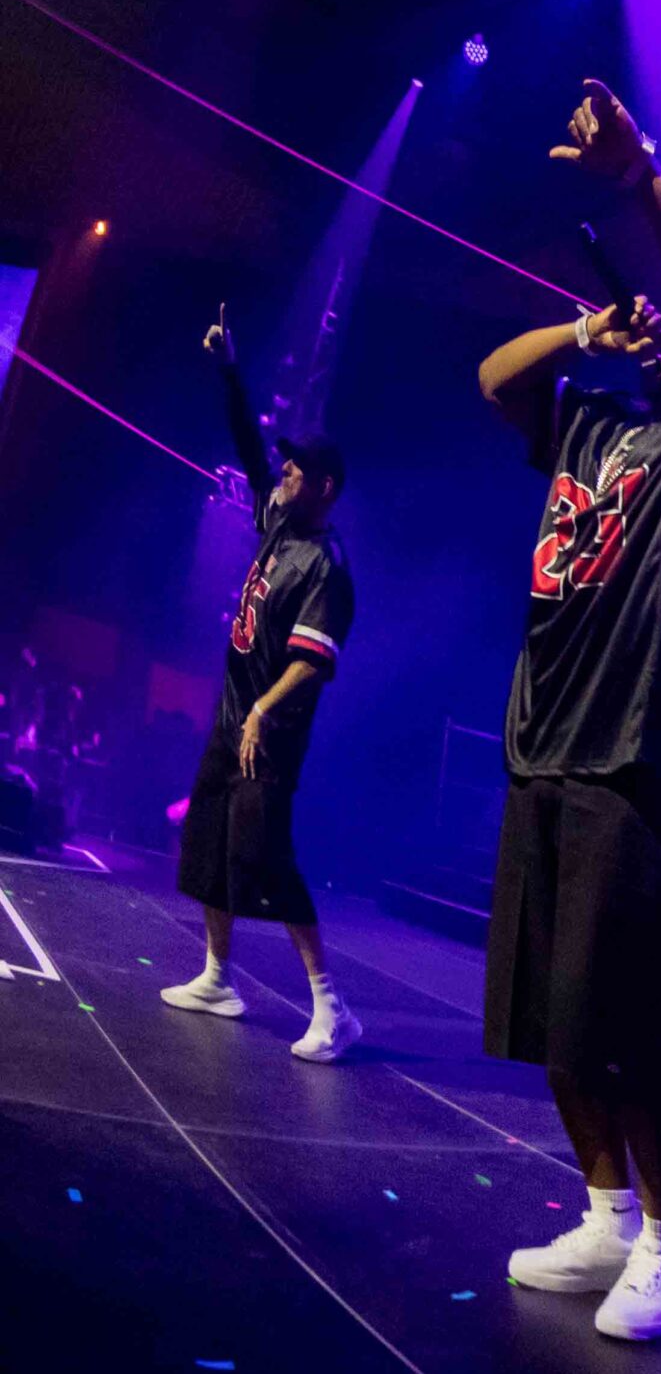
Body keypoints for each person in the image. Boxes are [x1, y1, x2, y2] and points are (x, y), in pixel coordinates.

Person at [476, 80, 661, 1342]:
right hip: (543, 744)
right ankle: (603, 1211)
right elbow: (494, 377)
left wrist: (641, 176)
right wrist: (584, 332)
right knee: (554, 1017)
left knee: (635, 1014)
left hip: (636, 756)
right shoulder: (596, 423)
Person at [162, 307, 360, 1063]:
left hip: (268, 737)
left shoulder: (326, 567)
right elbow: (251, 451)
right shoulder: (280, 525)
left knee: (265, 862)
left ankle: (333, 1007)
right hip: (231, 720)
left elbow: (313, 662)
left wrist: (260, 715)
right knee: (210, 847)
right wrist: (230, 372)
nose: (283, 477)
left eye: (297, 472)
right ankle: (218, 979)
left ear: (325, 487)